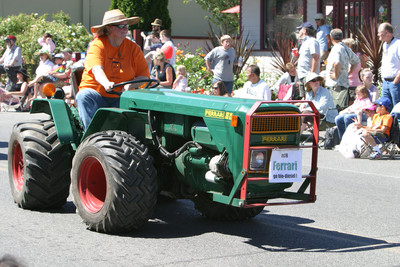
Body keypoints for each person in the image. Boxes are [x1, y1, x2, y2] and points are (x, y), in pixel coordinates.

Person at [76, 9, 150, 130]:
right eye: (121, 26)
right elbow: (96, 69)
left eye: (127, 26)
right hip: (97, 96)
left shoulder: (133, 48)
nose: (125, 29)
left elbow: (145, 76)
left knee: (142, 101)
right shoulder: (98, 45)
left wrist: (131, 85)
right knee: (84, 96)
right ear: (109, 28)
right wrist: (106, 83)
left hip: (121, 97)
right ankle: (92, 138)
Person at [325, 28, 360, 110]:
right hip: (343, 83)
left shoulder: (336, 48)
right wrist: (349, 72)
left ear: (331, 38)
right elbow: (356, 61)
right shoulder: (345, 47)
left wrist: (336, 75)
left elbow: (337, 62)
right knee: (341, 106)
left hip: (336, 85)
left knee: (336, 108)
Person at [378, 22, 400, 109]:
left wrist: (396, 80)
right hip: (385, 82)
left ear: (386, 32)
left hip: (395, 81)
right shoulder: (384, 45)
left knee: (397, 106)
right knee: (385, 107)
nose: (378, 34)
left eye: (380, 32)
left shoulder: (397, 44)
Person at [295, 22, 320, 99]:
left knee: (310, 98)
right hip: (303, 76)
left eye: (300, 29)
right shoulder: (304, 43)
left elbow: (315, 57)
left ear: (304, 31)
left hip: (309, 76)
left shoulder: (312, 41)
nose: (299, 31)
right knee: (304, 98)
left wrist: (311, 74)